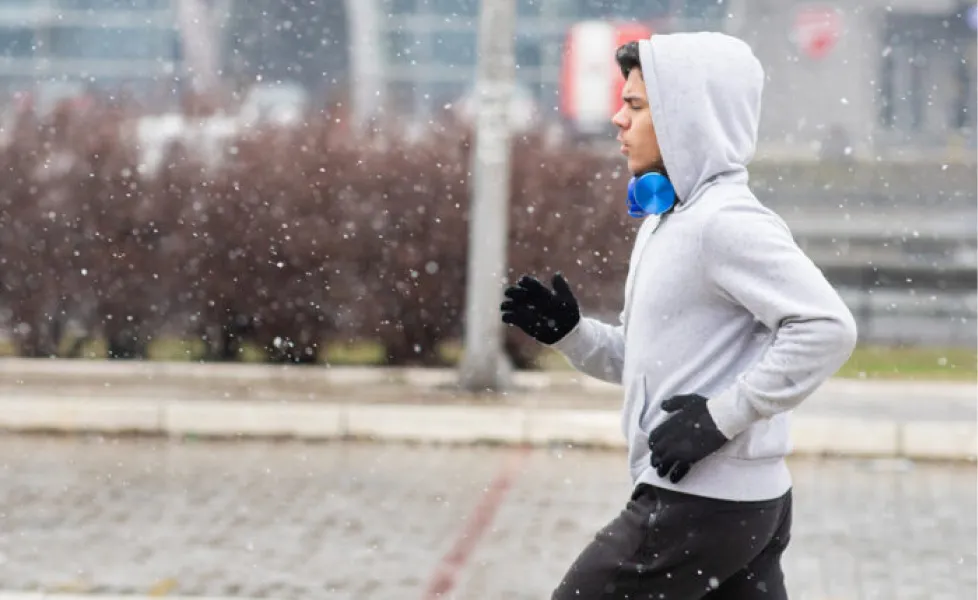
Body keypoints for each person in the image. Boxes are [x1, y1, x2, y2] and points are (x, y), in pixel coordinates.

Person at [500, 32, 857, 599]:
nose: (617, 119)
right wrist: (571, 335)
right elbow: (648, 365)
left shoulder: (726, 222)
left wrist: (719, 418)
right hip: (738, 506)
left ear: (687, 118)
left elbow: (828, 328)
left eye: (636, 106)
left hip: (698, 505)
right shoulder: (670, 220)